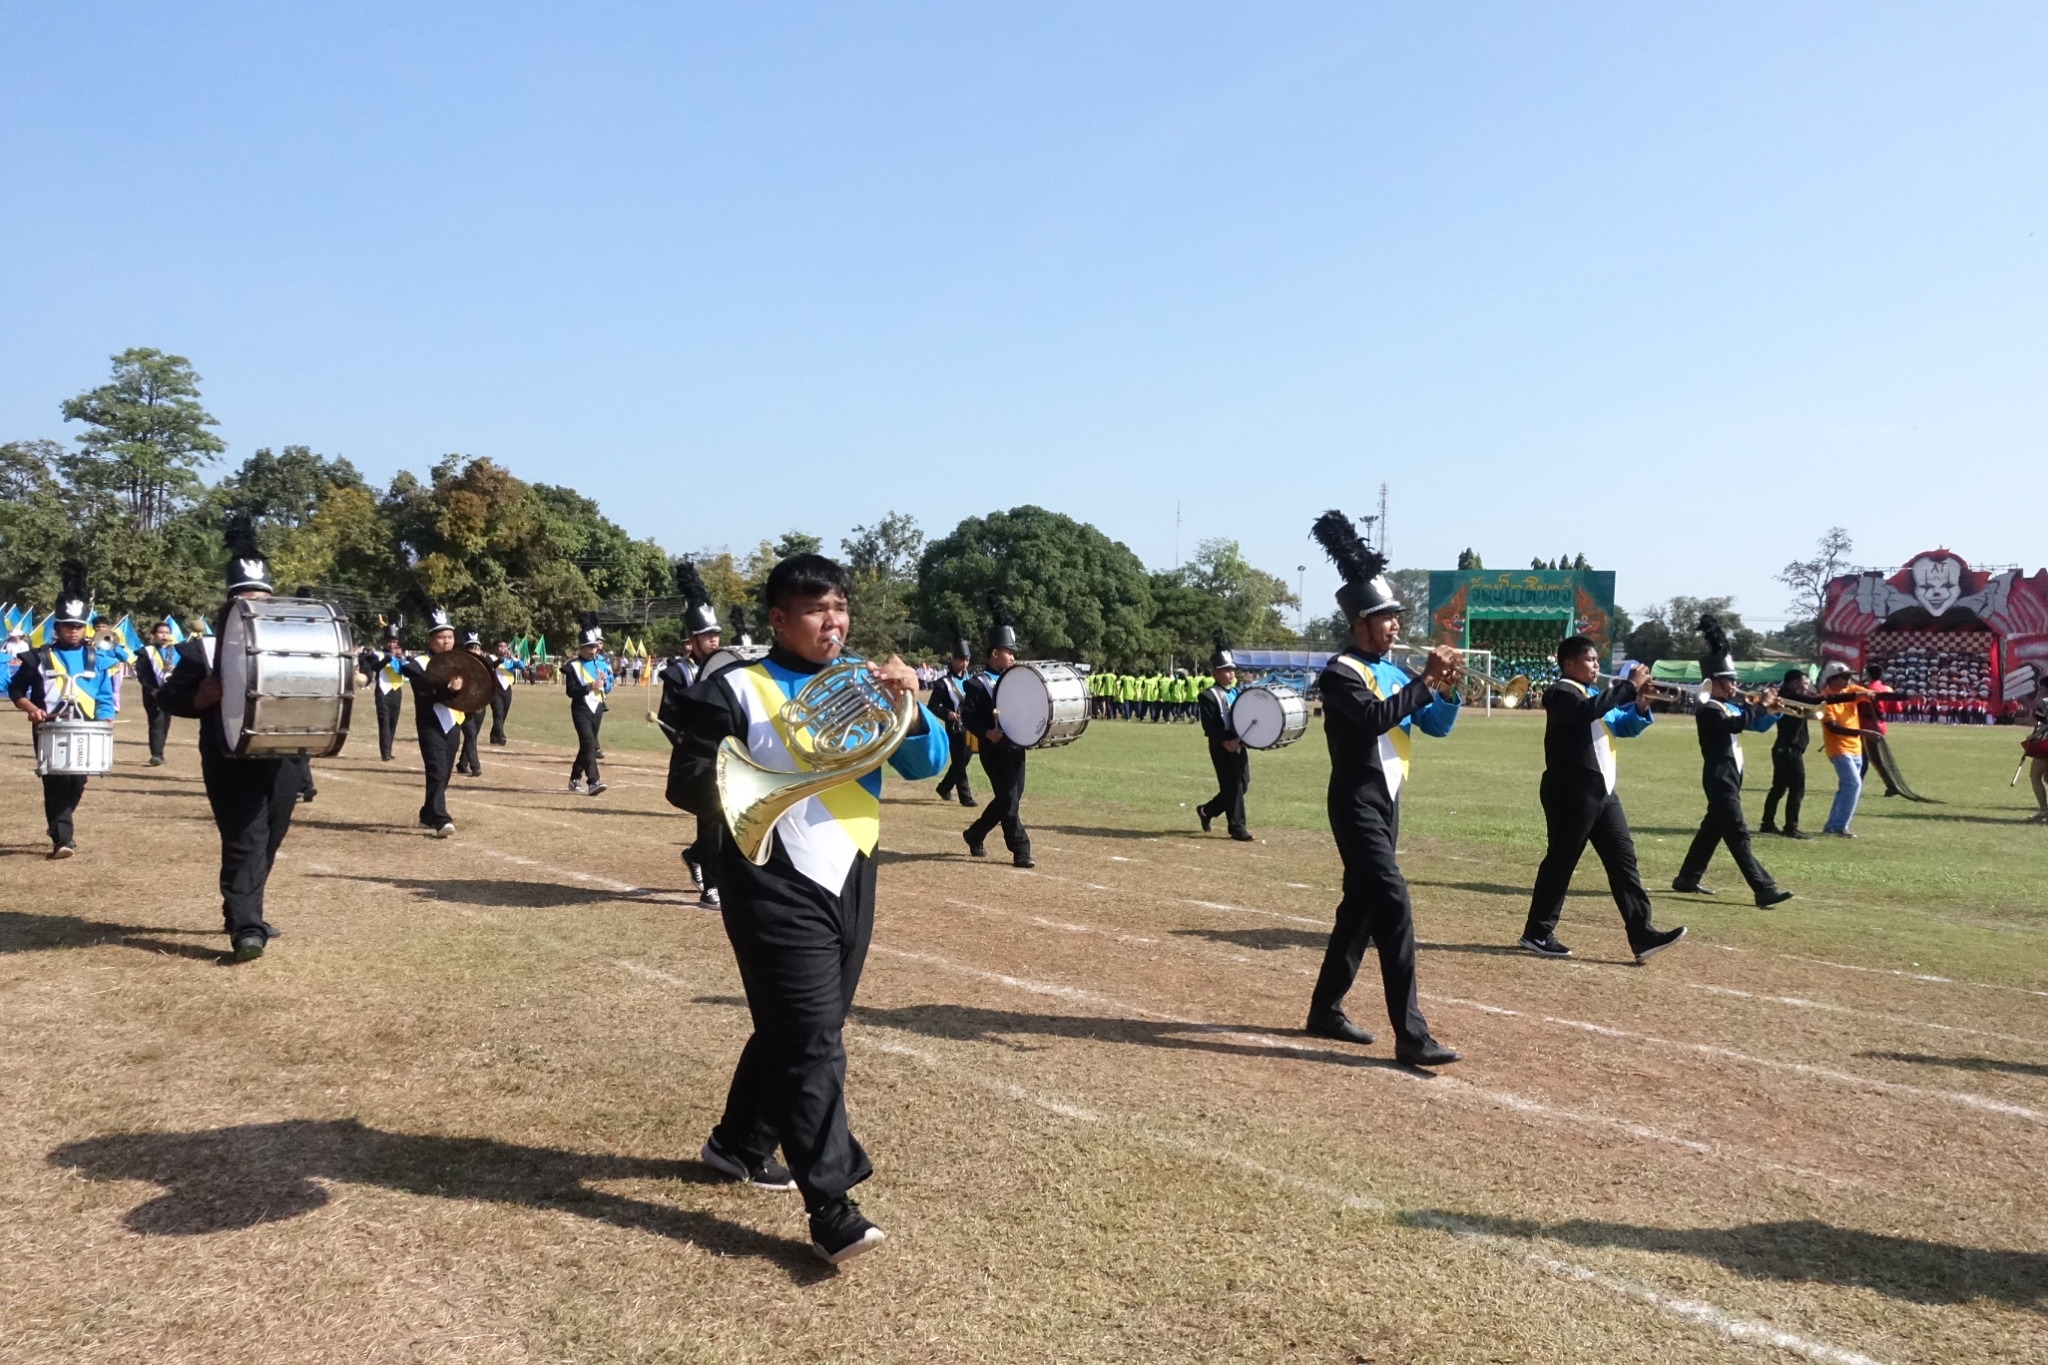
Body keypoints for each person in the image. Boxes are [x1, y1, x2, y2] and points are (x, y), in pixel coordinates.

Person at [669, 552, 948, 1266]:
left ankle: (737, 1143)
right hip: (770, 874)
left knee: (801, 1028)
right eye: (818, 610)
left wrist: (912, 703)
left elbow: (925, 765)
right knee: (813, 1040)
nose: (834, 623)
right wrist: (777, 772)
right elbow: (687, 781)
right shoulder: (733, 685)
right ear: (779, 618)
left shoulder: (865, 681)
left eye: (841, 608)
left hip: (852, 867)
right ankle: (832, 1206)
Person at [1302, 510, 1460, 1067]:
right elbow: (1374, 719)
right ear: (1359, 625)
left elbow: (1435, 726)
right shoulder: (1340, 673)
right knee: (1392, 903)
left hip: (1387, 802)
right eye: (1384, 618)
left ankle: (1325, 1009)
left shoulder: (1395, 673)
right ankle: (1412, 1035)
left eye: (1395, 617)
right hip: (1355, 802)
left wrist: (1446, 690)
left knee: (1361, 909)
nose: (1394, 626)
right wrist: (1426, 680)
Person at [156, 526, 310, 959]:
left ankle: (241, 909)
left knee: (271, 836)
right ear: (230, 604)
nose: (253, 605)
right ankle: (247, 929)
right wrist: (197, 698)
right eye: (244, 598)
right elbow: (167, 697)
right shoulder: (202, 651)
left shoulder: (293, 642)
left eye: (260, 598)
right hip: (228, 757)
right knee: (245, 837)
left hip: (283, 756)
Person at [1518, 638, 1686, 961]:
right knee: (1561, 862)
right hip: (1571, 792)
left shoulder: (1593, 696)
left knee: (1624, 861)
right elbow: (1586, 713)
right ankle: (1537, 932)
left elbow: (1622, 725)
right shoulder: (1560, 693)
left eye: (1597, 660)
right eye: (1590, 660)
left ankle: (1642, 934)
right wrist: (1628, 686)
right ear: (1569, 664)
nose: (1596, 665)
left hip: (1602, 792)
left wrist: (1641, 704)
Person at [1671, 617, 1795, 907]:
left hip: (1729, 776)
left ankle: (1687, 878)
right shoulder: (1709, 709)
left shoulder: (1726, 707)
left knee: (1712, 829)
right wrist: (1761, 705)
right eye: (1730, 680)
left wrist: (1771, 710)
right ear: (1713, 681)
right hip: (1719, 777)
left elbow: (1754, 724)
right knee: (1737, 833)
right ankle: (1763, 887)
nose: (1735, 685)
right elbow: (1737, 725)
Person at [9, 565, 119, 858]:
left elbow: (105, 696)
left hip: (86, 727)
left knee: (78, 780)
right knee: (55, 779)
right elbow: (15, 690)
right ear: (56, 627)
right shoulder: (37, 658)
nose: (73, 631)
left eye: (78, 626)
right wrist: (31, 708)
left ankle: (59, 824)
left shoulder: (97, 658)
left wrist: (106, 716)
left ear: (85, 628)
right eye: (68, 625)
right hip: (49, 727)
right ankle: (63, 840)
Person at [659, 560, 727, 904]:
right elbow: (668, 716)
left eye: (715, 634)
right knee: (712, 813)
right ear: (692, 639)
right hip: (695, 759)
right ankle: (712, 884)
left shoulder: (727, 668)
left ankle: (697, 855)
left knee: (730, 816)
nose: (713, 640)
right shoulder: (679, 674)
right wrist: (686, 738)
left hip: (728, 754)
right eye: (706, 635)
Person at [961, 602, 1033, 868]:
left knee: (1009, 798)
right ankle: (1020, 849)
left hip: (1016, 748)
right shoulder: (977, 684)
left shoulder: (1015, 679)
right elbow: (968, 716)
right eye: (1009, 652)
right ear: (994, 653)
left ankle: (975, 833)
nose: (1013, 657)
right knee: (1009, 798)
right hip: (993, 750)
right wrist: (985, 732)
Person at [401, 607, 468, 836]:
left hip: (453, 723)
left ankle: (427, 813)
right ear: (431, 640)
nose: (446, 641)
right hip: (430, 724)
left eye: (450, 636)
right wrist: (449, 689)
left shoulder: (459, 662)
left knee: (445, 772)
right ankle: (441, 818)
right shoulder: (418, 664)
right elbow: (424, 693)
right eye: (441, 637)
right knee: (437, 769)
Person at [1196, 636, 1253, 841]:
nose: (1231, 674)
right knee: (1234, 786)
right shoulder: (1208, 695)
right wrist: (1224, 742)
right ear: (1216, 673)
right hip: (1222, 745)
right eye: (1226, 670)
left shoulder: (1237, 692)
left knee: (1242, 784)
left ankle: (1207, 810)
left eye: (1232, 670)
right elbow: (1209, 725)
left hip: (1239, 742)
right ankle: (1238, 829)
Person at [1760, 667, 1820, 839]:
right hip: (1789, 750)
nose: (1807, 686)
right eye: (1805, 683)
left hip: (1783, 748)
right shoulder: (1789, 695)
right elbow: (1816, 700)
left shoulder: (1790, 696)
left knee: (1779, 788)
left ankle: (1767, 823)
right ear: (1794, 682)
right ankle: (1791, 827)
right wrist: (1851, 696)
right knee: (1797, 789)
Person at [1817, 661, 1870, 837]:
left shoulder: (1850, 691)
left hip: (1856, 748)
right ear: (1832, 679)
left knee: (1847, 787)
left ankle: (1832, 825)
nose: (1848, 680)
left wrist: (1907, 698)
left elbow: (1875, 695)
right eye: (1844, 677)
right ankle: (1840, 825)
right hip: (1838, 747)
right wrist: (1861, 732)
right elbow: (1832, 728)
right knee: (1853, 784)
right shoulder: (1825, 699)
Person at [927, 629, 978, 809]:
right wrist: (947, 713)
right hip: (954, 728)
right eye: (961, 660)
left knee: (964, 760)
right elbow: (933, 706)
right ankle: (966, 797)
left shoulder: (971, 679)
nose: (964, 663)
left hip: (970, 727)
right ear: (954, 660)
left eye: (967, 660)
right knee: (959, 761)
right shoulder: (944, 683)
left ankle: (944, 787)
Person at [565, 613, 611, 796]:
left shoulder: (601, 665)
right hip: (581, 708)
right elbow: (571, 691)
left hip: (597, 707)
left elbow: (607, 688)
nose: (593, 650)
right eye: (589, 647)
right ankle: (593, 781)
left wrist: (604, 682)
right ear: (582, 648)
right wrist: (588, 687)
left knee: (588, 745)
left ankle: (574, 777)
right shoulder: (572, 666)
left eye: (595, 647)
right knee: (588, 742)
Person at [136, 619, 181, 766]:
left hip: (170, 692)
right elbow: (142, 675)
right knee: (156, 721)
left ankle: (159, 751)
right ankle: (156, 754)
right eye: (161, 632)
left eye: (167, 632)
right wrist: (152, 690)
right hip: (153, 693)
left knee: (166, 722)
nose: (164, 635)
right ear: (154, 635)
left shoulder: (177, 651)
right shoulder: (146, 652)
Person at [366, 621, 407, 762]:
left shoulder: (400, 656)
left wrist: (401, 659)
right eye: (389, 641)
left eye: (394, 642)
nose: (391, 644)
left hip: (396, 691)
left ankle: (389, 749)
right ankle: (385, 752)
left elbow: (406, 672)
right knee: (384, 722)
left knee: (393, 722)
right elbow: (375, 667)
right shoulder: (377, 654)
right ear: (385, 642)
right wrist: (388, 657)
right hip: (383, 691)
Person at [488, 639, 524, 745]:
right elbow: (490, 666)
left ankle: (494, 735)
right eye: (500, 646)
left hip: (507, 689)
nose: (503, 649)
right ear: (495, 648)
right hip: (495, 689)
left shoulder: (510, 660)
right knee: (498, 712)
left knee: (503, 714)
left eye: (505, 646)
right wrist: (501, 659)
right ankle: (501, 736)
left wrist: (512, 657)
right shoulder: (491, 657)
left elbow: (522, 666)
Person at [2023, 694, 2048, 823]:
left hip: (2046, 743)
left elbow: (2043, 724)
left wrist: (2034, 736)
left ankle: (2044, 810)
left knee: (2035, 775)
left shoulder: (2044, 702)